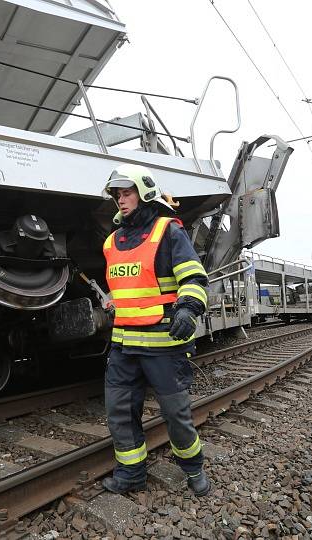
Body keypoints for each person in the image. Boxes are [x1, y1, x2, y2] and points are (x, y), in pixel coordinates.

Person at [100, 163, 211, 496]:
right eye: (117, 195)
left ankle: (193, 469)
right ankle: (131, 474)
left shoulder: (169, 232)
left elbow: (194, 278)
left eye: (127, 192)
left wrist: (189, 308)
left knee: (176, 416)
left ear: (144, 192)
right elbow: (127, 289)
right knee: (118, 413)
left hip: (164, 345)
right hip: (123, 347)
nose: (121, 200)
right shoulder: (110, 242)